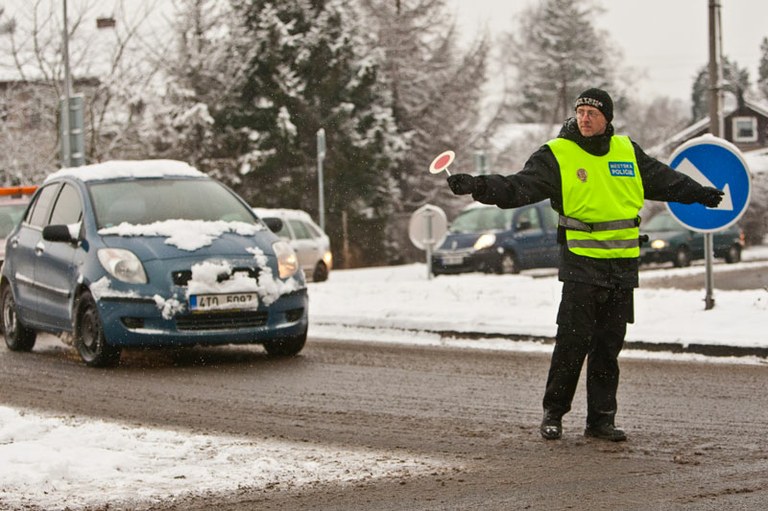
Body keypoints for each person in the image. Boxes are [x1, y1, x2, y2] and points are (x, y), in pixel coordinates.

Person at [446, 88, 723, 442]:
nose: (585, 118)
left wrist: (700, 193)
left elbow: (664, 179)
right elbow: (518, 187)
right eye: (580, 112)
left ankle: (601, 420)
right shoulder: (558, 155)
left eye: (592, 112)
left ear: (607, 117)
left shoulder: (627, 152)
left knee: (608, 347)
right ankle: (554, 413)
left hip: (622, 268)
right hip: (581, 266)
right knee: (572, 344)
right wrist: (479, 186)